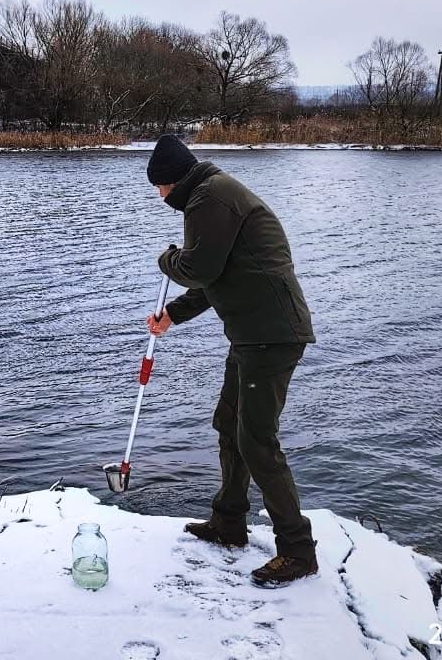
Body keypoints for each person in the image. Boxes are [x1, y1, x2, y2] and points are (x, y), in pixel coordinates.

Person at [145, 133, 318, 588]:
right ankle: (229, 522)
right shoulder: (209, 194)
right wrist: (173, 314)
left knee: (257, 440)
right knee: (228, 423)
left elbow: (197, 268)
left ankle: (298, 551)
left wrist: (167, 260)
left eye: (159, 187)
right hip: (251, 335)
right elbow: (215, 276)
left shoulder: (210, 198)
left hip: (272, 335)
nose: (160, 196)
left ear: (172, 180)